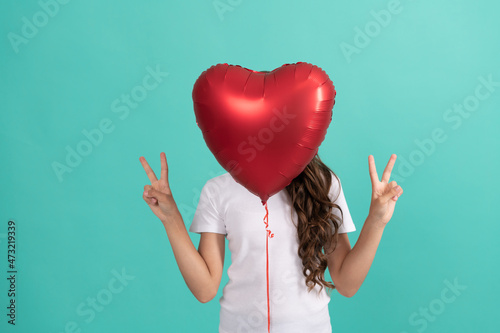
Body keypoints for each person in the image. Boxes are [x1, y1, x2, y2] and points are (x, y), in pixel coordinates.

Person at [140, 152, 403, 333]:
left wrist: (376, 221)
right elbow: (205, 288)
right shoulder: (218, 189)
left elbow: (347, 282)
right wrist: (171, 217)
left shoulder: (323, 184)